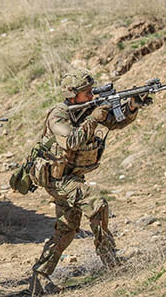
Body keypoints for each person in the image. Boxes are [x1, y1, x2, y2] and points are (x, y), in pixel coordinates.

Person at [28, 69, 152, 296]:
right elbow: (72, 142)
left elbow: (116, 122)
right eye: (87, 93)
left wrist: (132, 106)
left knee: (67, 229)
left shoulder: (87, 107)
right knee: (98, 204)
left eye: (92, 91)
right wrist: (93, 119)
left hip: (71, 177)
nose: (92, 96)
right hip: (57, 179)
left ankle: (38, 278)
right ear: (72, 95)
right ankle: (111, 263)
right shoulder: (59, 115)